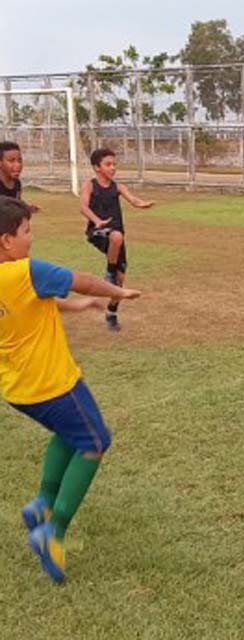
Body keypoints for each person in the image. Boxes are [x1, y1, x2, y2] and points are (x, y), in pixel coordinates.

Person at [0, 196, 141, 583]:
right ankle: (53, 531)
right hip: (52, 383)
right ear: (6, 241)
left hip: (18, 388)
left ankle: (42, 504)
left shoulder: (10, 279)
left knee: (69, 433)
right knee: (95, 440)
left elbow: (31, 302)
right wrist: (118, 292)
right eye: (26, 232)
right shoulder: (24, 272)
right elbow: (82, 278)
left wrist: (77, 308)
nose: (31, 239)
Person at [79, 148, 155, 331]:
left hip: (116, 239)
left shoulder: (118, 187)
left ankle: (112, 312)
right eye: (108, 164)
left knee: (120, 283)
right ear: (97, 167)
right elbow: (83, 207)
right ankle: (109, 271)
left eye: (114, 164)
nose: (113, 168)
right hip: (98, 232)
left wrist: (143, 204)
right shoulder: (89, 185)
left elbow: (134, 200)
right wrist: (97, 221)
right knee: (115, 236)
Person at [0, 141, 39, 212]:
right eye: (11, 161)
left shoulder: (17, 183)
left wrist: (26, 207)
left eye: (20, 160)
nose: (18, 165)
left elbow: (16, 203)